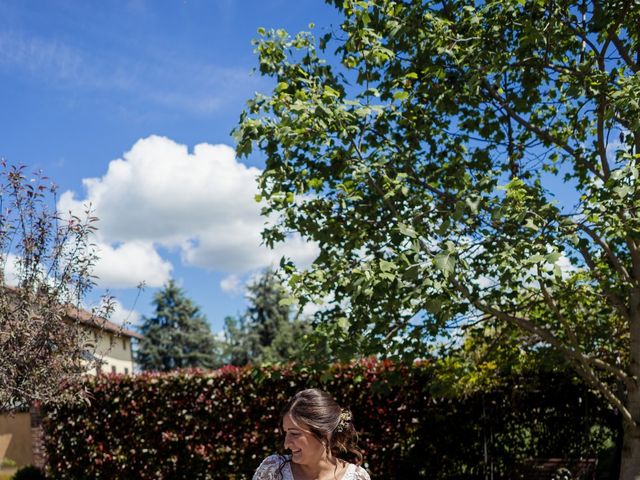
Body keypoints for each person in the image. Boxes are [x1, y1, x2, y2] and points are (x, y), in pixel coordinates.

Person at [253, 388, 371, 480]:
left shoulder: (356, 477)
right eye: (285, 433)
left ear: (325, 433)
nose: (286, 444)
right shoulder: (274, 470)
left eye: (294, 433)